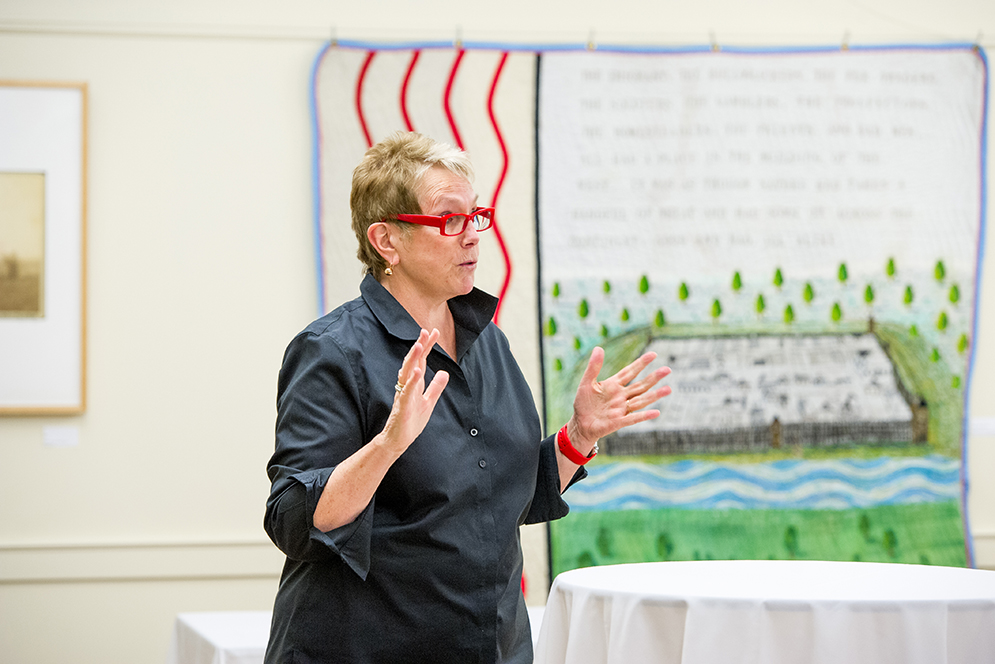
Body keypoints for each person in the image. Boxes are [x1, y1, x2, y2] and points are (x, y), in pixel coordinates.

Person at [263, 131, 671, 663]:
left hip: (490, 645)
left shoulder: (488, 341)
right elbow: (292, 519)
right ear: (387, 241)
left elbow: (497, 497)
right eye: (450, 219)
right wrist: (388, 445)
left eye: (475, 215)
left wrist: (578, 437)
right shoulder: (331, 351)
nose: (474, 236)